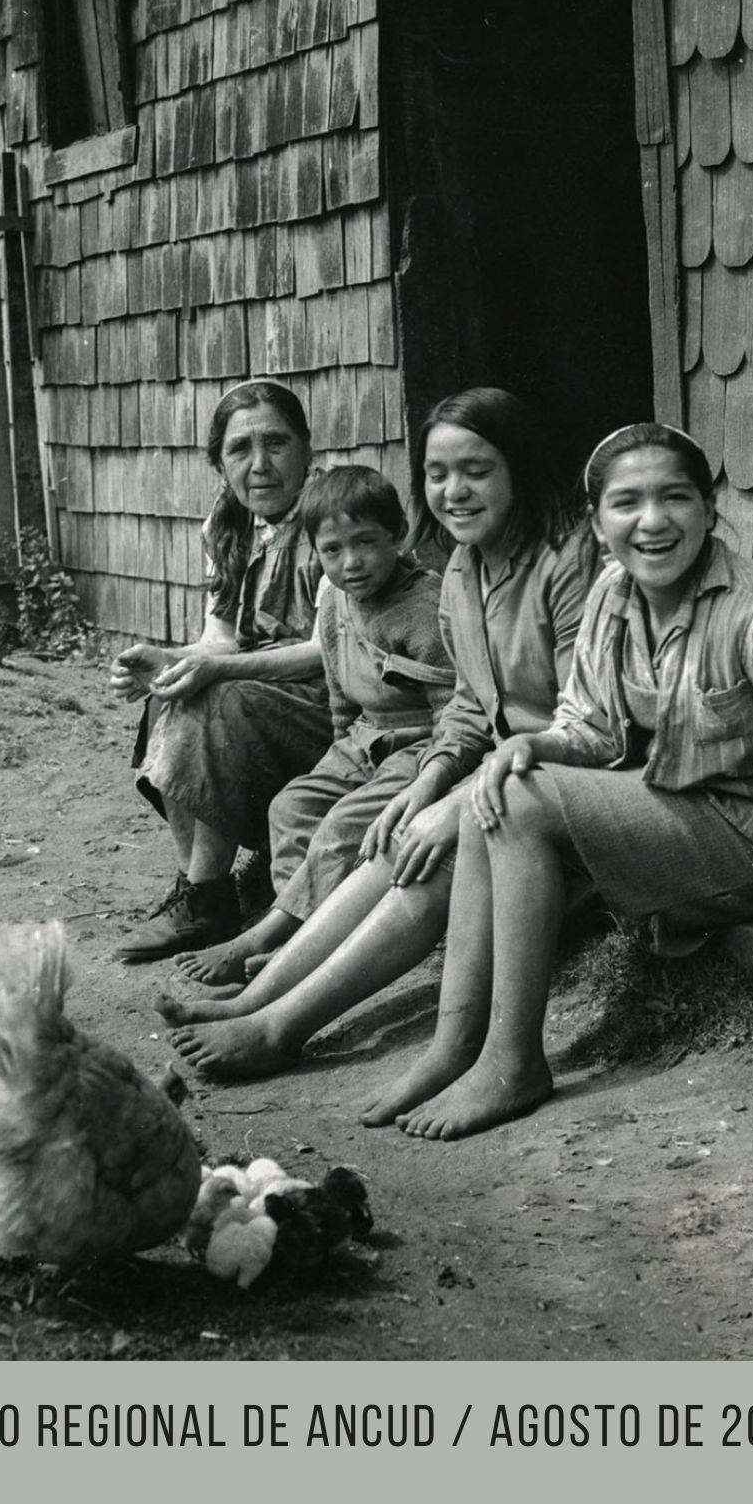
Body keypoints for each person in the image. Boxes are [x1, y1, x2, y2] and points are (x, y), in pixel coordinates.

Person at [375, 420, 753, 1142]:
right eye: (627, 503)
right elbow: (591, 727)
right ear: (597, 521)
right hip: (689, 811)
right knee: (503, 784)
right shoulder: (616, 593)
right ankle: (455, 1046)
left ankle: (511, 1063)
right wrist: (533, 744)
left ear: (709, 510)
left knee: (520, 800)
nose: (652, 522)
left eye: (675, 497)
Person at [163, 386, 595, 1087]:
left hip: (561, 783)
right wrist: (426, 783)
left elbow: (587, 721)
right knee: (391, 839)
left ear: (518, 467)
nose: (454, 491)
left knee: (425, 859)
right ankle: (260, 998)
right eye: (437, 473)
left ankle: (284, 1025)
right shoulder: (466, 566)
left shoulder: (566, 563)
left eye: (476, 470)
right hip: (501, 775)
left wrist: (450, 795)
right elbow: (468, 704)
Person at [168, 463, 455, 988]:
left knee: (344, 826)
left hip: (420, 744)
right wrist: (341, 758)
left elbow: (451, 708)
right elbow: (343, 700)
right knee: (293, 806)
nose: (352, 563)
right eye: (332, 551)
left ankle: (271, 940)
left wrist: (427, 772)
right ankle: (305, 933)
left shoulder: (425, 606)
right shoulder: (336, 606)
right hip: (363, 740)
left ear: (398, 535)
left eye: (365, 542)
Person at [112, 380, 332, 963]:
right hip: (264, 695)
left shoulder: (331, 513)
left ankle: (207, 902)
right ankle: (198, 891)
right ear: (218, 461)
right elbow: (221, 641)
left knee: (216, 696)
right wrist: (168, 660)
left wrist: (213, 670)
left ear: (308, 448)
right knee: (172, 692)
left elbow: (326, 651)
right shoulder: (228, 524)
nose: (260, 465)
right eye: (240, 449)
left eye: (276, 443)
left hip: (332, 704)